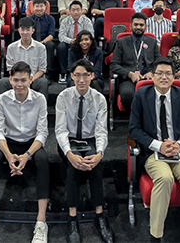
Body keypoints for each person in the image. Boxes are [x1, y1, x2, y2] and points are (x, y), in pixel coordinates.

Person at [127, 59, 180, 242]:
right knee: (164, 178)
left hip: (179, 149)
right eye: (160, 73)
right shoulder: (141, 94)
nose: (164, 77)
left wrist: (179, 144)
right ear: (152, 76)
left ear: (173, 77)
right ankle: (156, 234)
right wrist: (158, 145)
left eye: (168, 74)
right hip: (153, 151)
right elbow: (134, 129)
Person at [0, 61, 50, 243]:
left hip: (31, 144)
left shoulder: (40, 99)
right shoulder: (3, 99)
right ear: (10, 79)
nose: (19, 84)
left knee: (43, 160)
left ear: (31, 79)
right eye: (15, 80)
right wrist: (9, 155)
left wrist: (27, 156)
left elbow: (43, 133)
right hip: (9, 143)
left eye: (23, 80)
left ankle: (41, 221)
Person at [55, 60, 113, 243]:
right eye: (77, 75)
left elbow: (102, 131)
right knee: (73, 166)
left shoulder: (99, 99)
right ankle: (72, 218)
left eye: (85, 75)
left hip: (90, 140)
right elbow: (60, 131)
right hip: (70, 140)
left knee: (94, 165)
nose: (81, 79)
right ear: (71, 76)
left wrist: (100, 154)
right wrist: (69, 154)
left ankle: (100, 215)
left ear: (92, 76)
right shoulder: (63, 97)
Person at [110, 13, 162, 111]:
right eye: (136, 24)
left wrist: (151, 72)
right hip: (128, 79)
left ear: (145, 27)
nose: (138, 27)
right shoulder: (121, 42)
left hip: (148, 77)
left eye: (141, 25)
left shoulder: (152, 42)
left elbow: (159, 62)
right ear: (131, 26)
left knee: (155, 95)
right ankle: (134, 119)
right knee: (127, 95)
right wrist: (129, 74)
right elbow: (113, 65)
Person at [0, 18, 49, 94]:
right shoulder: (11, 47)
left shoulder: (41, 48)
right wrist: (18, 80)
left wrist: (30, 80)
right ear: (18, 30)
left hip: (33, 79)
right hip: (16, 79)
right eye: (22, 29)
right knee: (3, 82)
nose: (25, 32)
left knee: (43, 82)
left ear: (33, 31)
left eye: (28, 29)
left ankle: (42, 106)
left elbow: (42, 69)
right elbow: (10, 69)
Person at [58, 1, 94, 83]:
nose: (76, 12)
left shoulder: (87, 21)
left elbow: (91, 35)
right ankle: (63, 73)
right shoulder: (64, 21)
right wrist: (71, 40)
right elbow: (61, 36)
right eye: (73, 10)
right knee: (61, 46)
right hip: (70, 43)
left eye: (78, 10)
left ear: (81, 11)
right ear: (69, 11)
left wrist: (81, 41)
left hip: (83, 44)